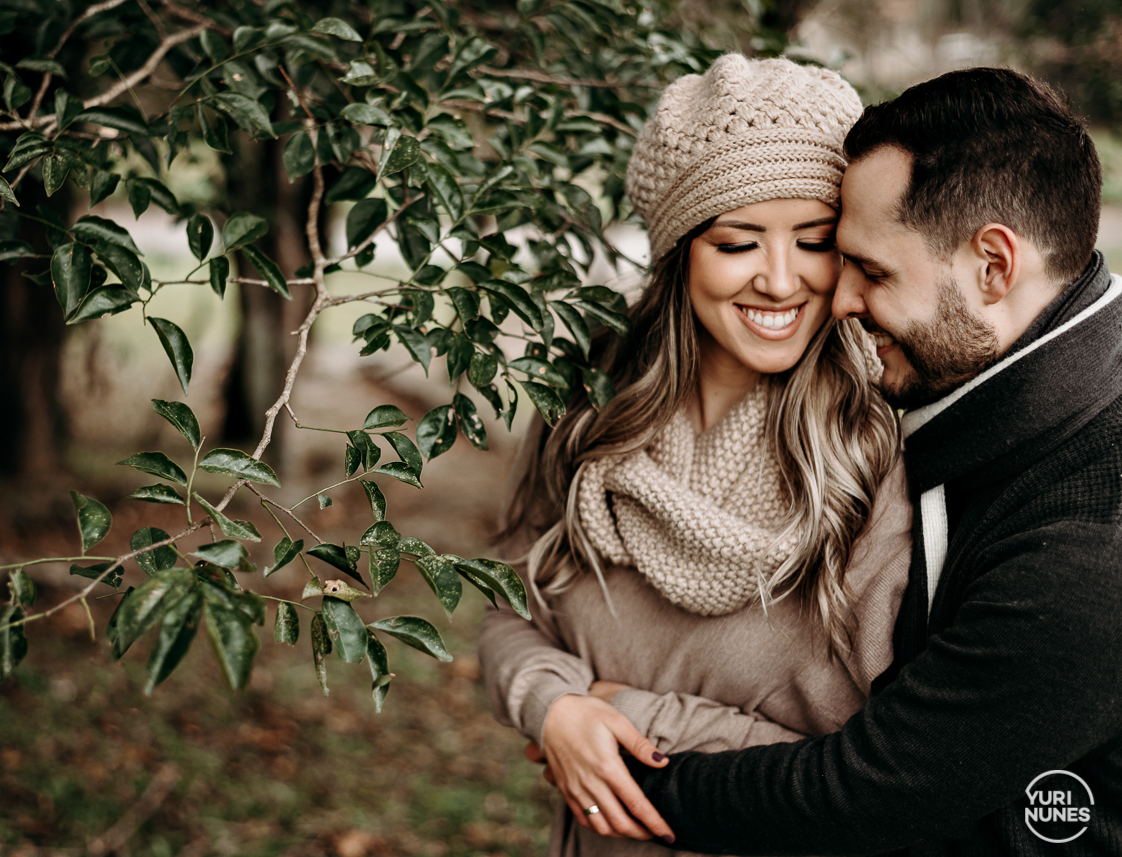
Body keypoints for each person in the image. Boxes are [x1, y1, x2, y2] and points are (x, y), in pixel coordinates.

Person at [612, 67, 1122, 855]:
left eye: (874, 270)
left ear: (994, 266)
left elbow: (875, 790)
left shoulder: (1089, 544)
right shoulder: (1003, 415)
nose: (840, 299)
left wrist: (623, 762)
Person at [478, 54, 913, 856]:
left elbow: (881, 768)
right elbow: (509, 603)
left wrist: (628, 714)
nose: (780, 280)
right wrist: (554, 706)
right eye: (738, 242)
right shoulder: (590, 401)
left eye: (815, 241)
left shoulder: (877, 446)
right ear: (681, 251)